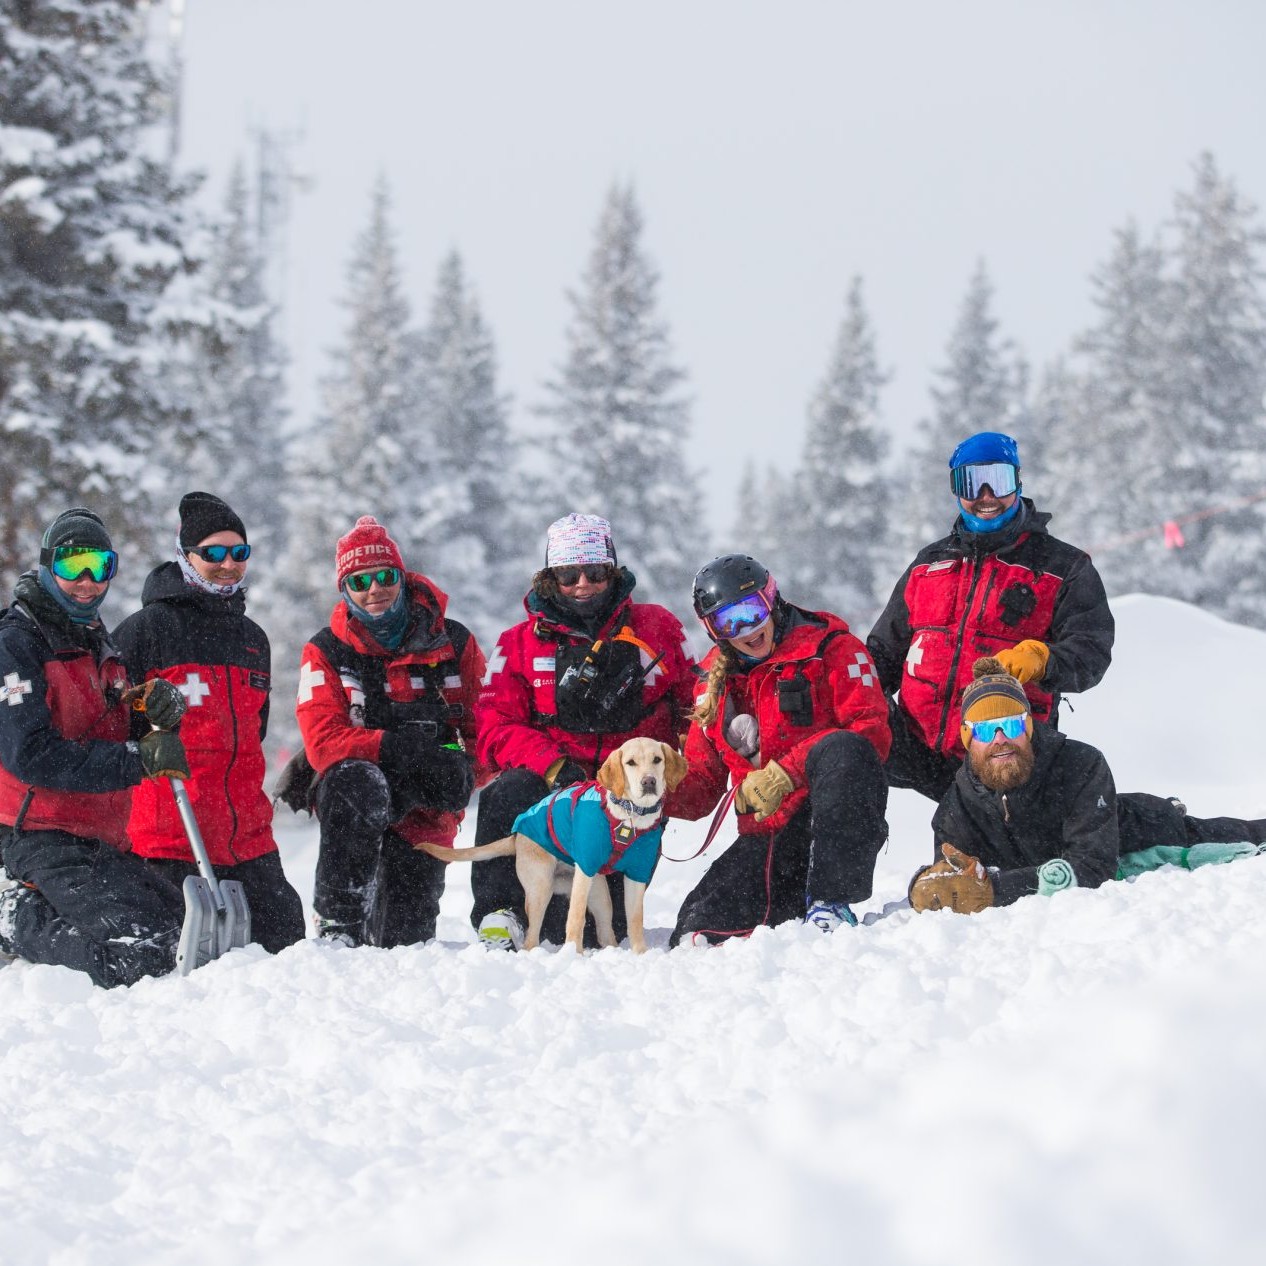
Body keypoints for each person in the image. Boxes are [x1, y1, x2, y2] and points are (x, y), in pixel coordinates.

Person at [472, 512, 697, 950]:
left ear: (611, 572)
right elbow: (493, 724)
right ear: (549, 576)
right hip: (553, 788)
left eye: (594, 572)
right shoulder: (517, 642)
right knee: (506, 790)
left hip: (625, 794)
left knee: (594, 933)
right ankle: (500, 912)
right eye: (567, 573)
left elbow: (694, 702)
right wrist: (552, 764)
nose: (582, 583)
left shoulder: (658, 627)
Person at [0, 508, 196, 987]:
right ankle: (13, 918)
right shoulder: (17, 644)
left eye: (100, 567)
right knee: (142, 956)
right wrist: (138, 760)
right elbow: (30, 754)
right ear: (47, 567)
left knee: (180, 926)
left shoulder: (94, 641)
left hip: (96, 833)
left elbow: (103, 728)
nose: (87, 581)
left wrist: (147, 715)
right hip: (35, 831)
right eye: (72, 566)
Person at [868, 431, 1115, 803]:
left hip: (999, 751)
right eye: (971, 481)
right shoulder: (930, 563)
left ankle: (1160, 822)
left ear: (1017, 481)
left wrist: (1042, 659)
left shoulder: (1062, 567)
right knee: (840, 750)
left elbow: (1090, 652)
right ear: (956, 488)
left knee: (1032, 841)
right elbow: (884, 651)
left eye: (998, 480)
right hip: (918, 745)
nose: (986, 495)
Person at [908, 657, 1266, 913]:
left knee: (1246, 837)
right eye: (986, 730)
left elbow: (1093, 868)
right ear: (968, 739)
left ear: (1029, 728)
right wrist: (920, 888)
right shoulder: (956, 807)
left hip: (1148, 831)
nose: (1001, 738)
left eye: (1013, 725)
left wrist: (997, 890)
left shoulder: (1080, 764)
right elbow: (951, 879)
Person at [113, 492, 304, 954]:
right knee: (173, 966)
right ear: (185, 556)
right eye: (212, 553)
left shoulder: (253, 639)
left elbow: (252, 734)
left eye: (239, 553)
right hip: (169, 838)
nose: (227, 564)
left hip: (246, 840)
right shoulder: (145, 631)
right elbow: (112, 725)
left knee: (288, 948)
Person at [667, 554, 891, 946]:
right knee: (695, 930)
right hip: (768, 834)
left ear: (772, 600)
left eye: (751, 611)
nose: (746, 629)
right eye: (727, 621)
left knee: (845, 747)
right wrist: (652, 792)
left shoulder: (833, 649)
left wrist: (786, 773)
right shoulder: (711, 685)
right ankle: (790, 908)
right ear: (712, 630)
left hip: (827, 822)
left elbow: (870, 735)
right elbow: (702, 787)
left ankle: (831, 900)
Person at [295, 515, 485, 947]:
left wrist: (462, 771)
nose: (374, 590)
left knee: (406, 943)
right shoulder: (325, 650)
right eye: (359, 582)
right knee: (356, 781)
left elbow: (487, 732)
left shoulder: (455, 644)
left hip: (427, 816)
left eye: (384, 576)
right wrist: (401, 752)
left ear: (401, 576)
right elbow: (323, 743)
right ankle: (338, 927)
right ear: (345, 590)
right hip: (354, 802)